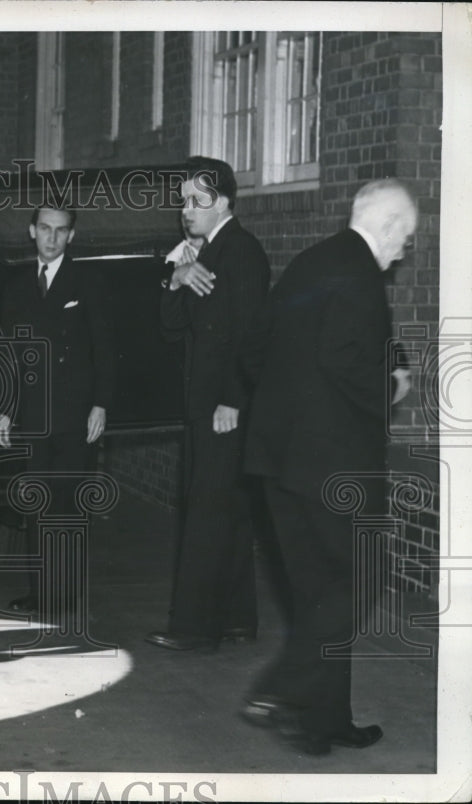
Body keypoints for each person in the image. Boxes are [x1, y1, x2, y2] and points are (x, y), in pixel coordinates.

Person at [238, 179, 417, 755]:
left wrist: (291, 406)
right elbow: (344, 359)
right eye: (405, 238)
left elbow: (257, 346)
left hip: (279, 460)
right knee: (361, 579)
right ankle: (282, 688)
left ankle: (324, 720)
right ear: (387, 226)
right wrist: (390, 386)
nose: (404, 251)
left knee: (319, 591)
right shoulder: (360, 275)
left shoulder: (312, 262)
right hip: (331, 468)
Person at [146, 156, 271, 652]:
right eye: (183, 201)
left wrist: (232, 401)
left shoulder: (241, 251)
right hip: (207, 404)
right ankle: (237, 619)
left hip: (223, 407)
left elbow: (253, 334)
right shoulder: (205, 254)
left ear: (222, 202)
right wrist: (176, 278)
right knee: (227, 510)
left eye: (196, 201)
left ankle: (194, 628)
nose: (186, 210)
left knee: (205, 513)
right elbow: (170, 327)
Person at [0, 205, 115, 615]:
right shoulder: (16, 286)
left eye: (61, 231)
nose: (52, 238)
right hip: (33, 412)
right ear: (32, 231)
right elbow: (9, 355)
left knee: (68, 503)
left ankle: (65, 594)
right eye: (45, 228)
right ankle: (41, 592)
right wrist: (7, 409)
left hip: (76, 413)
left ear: (71, 236)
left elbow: (105, 348)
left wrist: (100, 404)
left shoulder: (89, 281)